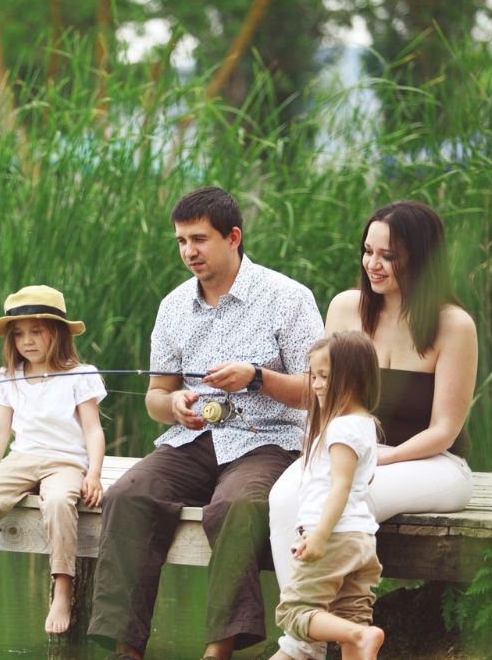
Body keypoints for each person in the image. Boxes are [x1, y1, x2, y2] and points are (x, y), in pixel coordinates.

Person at [88, 186, 324, 660]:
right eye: (180, 241)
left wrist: (256, 378)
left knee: (235, 506)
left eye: (199, 239)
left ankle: (217, 651)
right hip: (194, 439)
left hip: (270, 440)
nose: (188, 251)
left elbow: (318, 390)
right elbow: (155, 396)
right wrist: (173, 404)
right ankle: (125, 649)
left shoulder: (287, 298)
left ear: (233, 236)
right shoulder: (173, 306)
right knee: (128, 494)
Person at [268, 200, 476, 659]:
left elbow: (444, 429)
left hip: (432, 462)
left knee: (347, 499)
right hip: (349, 452)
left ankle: (299, 647)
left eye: (389, 256)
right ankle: (323, 637)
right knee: (285, 497)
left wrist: (380, 457)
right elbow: (322, 397)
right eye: (368, 251)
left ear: (420, 258)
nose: (373, 265)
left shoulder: (453, 325)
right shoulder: (346, 308)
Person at [0, 285, 107, 634]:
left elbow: (93, 430)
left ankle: (62, 590)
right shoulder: (8, 378)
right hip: (22, 459)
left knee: (56, 502)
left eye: (36, 331)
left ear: (57, 333)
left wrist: (94, 474)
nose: (27, 340)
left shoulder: (80, 374)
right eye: (19, 334)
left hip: (65, 462)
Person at [273, 332, 386, 660]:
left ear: (350, 379)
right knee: (352, 615)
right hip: (362, 539)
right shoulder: (366, 425)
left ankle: (359, 634)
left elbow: (341, 486)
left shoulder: (339, 428)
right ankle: (359, 634)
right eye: (314, 376)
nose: (316, 385)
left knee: (293, 612)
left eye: (324, 377)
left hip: (335, 536)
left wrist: (319, 536)